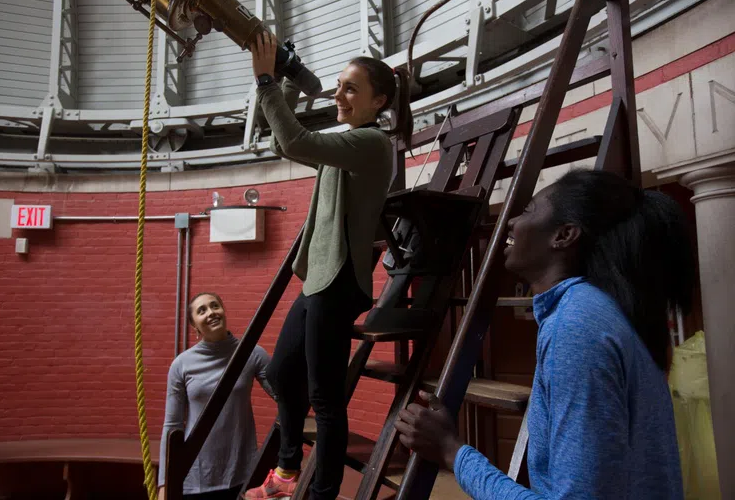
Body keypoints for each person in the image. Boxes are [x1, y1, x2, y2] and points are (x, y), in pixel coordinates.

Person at [394, 169, 695, 499]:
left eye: (527, 211)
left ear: (564, 235)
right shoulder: (590, 311)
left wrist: (453, 452)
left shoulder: (578, 325)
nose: (510, 223)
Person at [243, 32, 413, 500]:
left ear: (378, 100)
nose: (338, 95)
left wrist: (265, 80)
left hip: (337, 282)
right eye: (338, 86)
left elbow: (294, 141)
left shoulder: (372, 142)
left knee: (325, 399)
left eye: (350, 89)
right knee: (280, 374)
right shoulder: (346, 142)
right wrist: (280, 80)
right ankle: (286, 472)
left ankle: (321, 493)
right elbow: (287, 144)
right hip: (321, 279)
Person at [158, 292, 276, 500]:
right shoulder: (182, 364)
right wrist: (164, 482)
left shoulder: (252, 353)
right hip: (195, 475)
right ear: (194, 326)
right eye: (201, 311)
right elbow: (172, 425)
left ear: (223, 311)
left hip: (242, 472)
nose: (211, 313)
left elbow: (282, 395)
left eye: (215, 306)